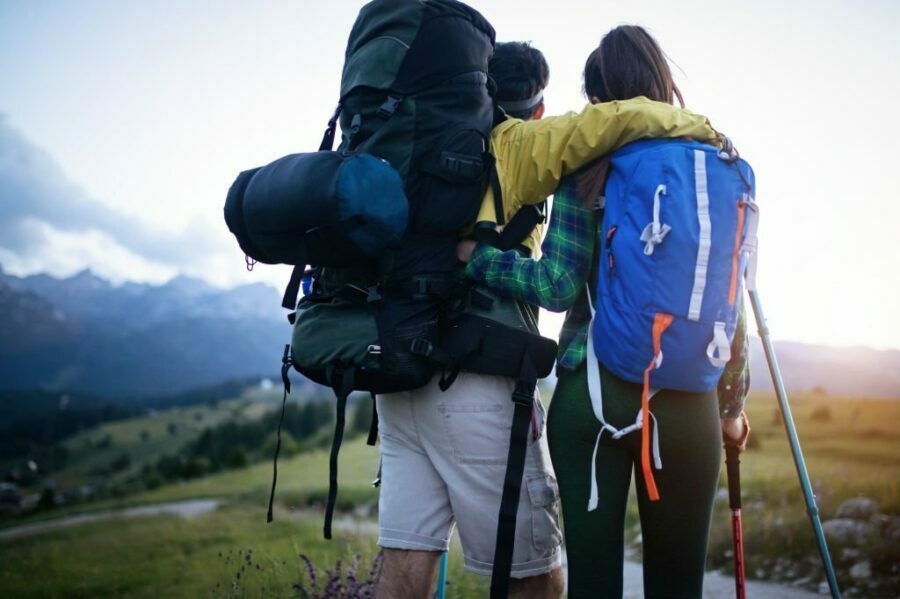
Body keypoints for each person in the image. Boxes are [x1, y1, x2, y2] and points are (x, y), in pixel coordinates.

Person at [458, 26, 751, 598]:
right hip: (688, 400)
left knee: (593, 586)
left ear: (597, 102)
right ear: (664, 86)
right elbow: (730, 302)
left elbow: (559, 284)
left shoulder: (588, 167)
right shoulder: (713, 168)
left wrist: (478, 259)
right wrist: (732, 408)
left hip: (591, 396)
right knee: (679, 585)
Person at [375, 41, 566, 599]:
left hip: (401, 373)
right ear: (538, 110)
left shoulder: (423, 145)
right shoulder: (523, 148)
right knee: (533, 578)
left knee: (406, 560)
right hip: (480, 379)